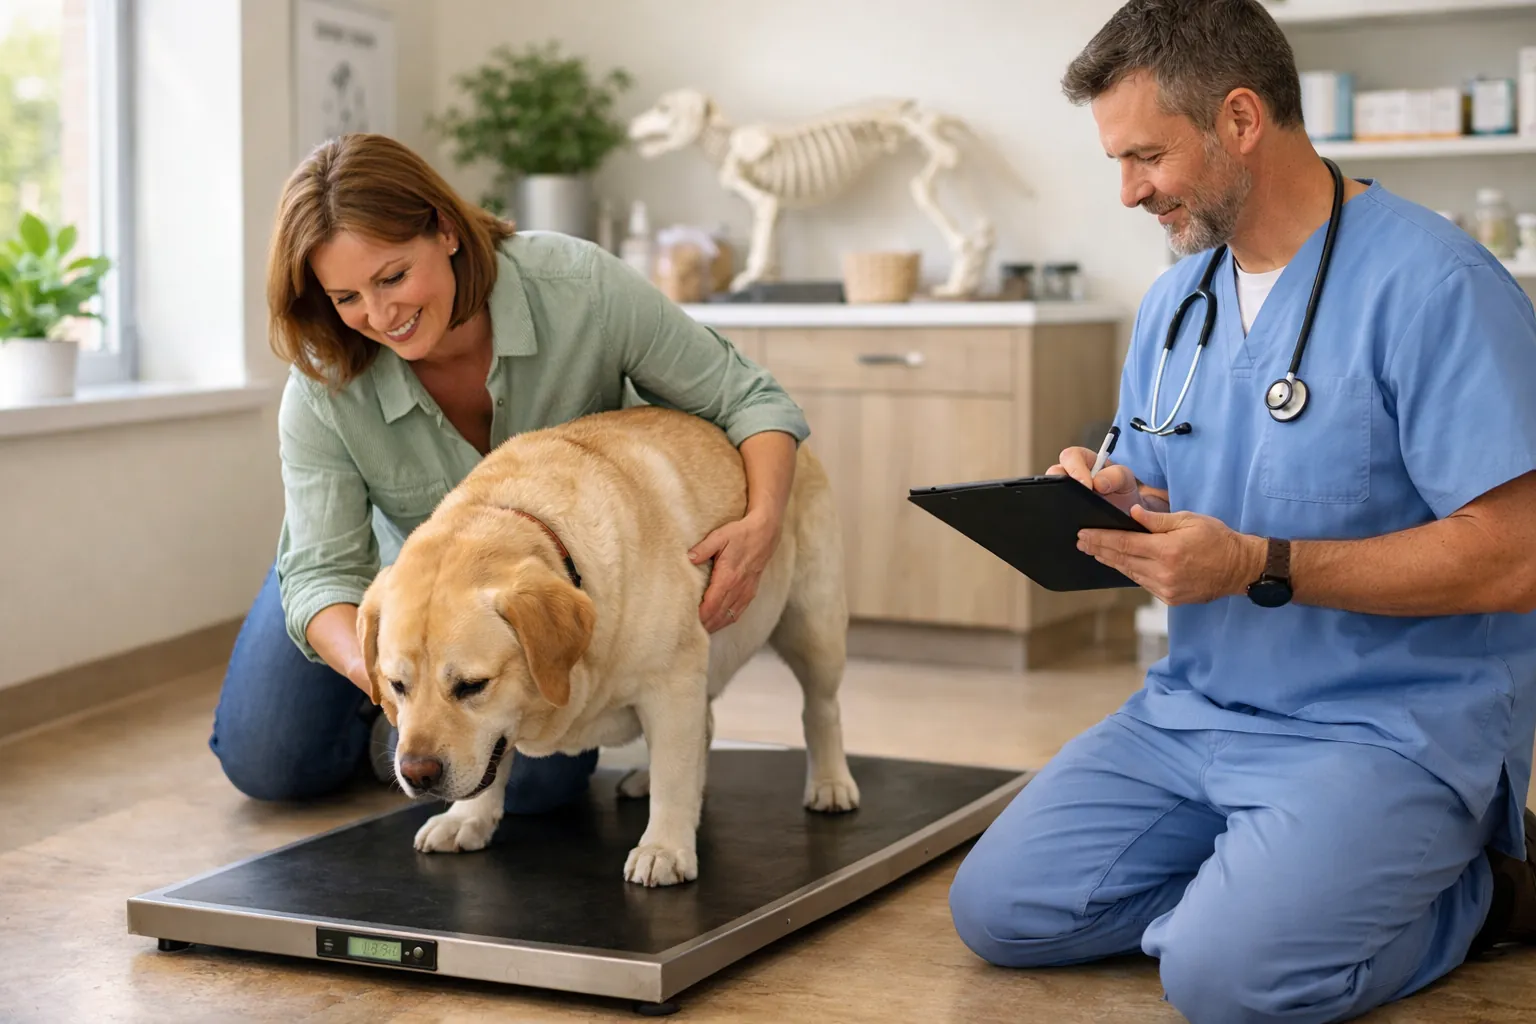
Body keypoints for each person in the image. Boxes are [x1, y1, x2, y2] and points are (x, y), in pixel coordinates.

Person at [946, 2, 1536, 1021]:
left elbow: (1517, 557)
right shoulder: (1179, 303)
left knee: (1228, 981)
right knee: (1001, 913)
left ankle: (1476, 892)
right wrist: (1119, 491)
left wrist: (1263, 561)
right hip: (1195, 707)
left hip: (1384, 725)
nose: (1128, 192)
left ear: (1242, 120)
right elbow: (1176, 470)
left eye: (1146, 157)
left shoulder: (1438, 285)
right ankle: (1276, 885)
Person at [208, 133, 809, 812]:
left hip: (523, 595)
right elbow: (322, 574)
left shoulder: (579, 287)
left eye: (393, 277)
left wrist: (762, 524)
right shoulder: (325, 376)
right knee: (270, 764)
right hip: (378, 588)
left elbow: (751, 400)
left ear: (446, 231)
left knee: (537, 791)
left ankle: (434, 719)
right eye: (346, 297)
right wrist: (395, 687)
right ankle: (397, 722)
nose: (379, 317)